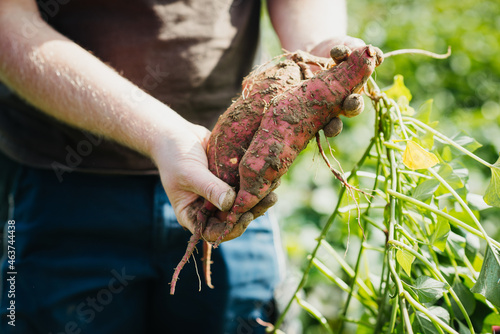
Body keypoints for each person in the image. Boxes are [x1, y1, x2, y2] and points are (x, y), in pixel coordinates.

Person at [0, 0, 363, 333]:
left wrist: (318, 52)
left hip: (231, 186)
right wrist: (162, 135)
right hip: (65, 186)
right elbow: (8, 23)